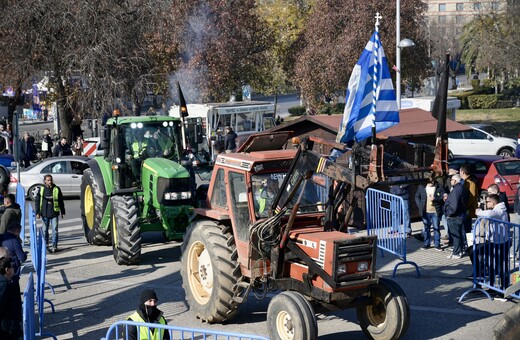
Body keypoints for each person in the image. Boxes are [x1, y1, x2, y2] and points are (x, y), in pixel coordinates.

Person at [472, 194, 510, 290]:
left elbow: (488, 214)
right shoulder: (496, 209)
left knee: (501, 266)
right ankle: (493, 286)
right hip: (494, 241)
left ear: (492, 203)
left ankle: (504, 288)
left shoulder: (499, 210)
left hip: (501, 242)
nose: (486, 203)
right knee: (493, 264)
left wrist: (480, 211)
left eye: (487, 202)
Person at [35, 174, 65, 253]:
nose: (50, 181)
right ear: (44, 181)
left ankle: (54, 246)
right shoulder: (41, 190)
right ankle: (46, 245)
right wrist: (37, 212)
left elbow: (61, 201)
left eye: (50, 180)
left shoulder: (56, 189)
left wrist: (62, 211)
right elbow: (37, 202)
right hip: (44, 214)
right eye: (48, 180)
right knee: (45, 230)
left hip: (54, 213)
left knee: (55, 230)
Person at [415, 176, 445, 251]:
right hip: (425, 211)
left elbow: (442, 196)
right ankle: (426, 244)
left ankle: (437, 244)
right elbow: (417, 196)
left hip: (435, 211)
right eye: (429, 181)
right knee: (426, 228)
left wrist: (435, 199)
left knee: (436, 228)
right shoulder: (422, 187)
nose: (431, 182)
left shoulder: (439, 187)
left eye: (432, 181)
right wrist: (420, 205)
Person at [444, 174, 467, 259]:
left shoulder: (456, 190)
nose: (450, 181)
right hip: (459, 214)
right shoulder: (461, 188)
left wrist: (449, 213)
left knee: (456, 235)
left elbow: (454, 205)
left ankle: (457, 252)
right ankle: (459, 250)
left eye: (451, 180)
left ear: (455, 181)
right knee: (459, 234)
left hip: (455, 216)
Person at [0, 256, 23, 340]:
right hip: (7, 326)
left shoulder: (7, 282)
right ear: (7, 270)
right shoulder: (4, 284)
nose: (14, 269)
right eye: (12, 267)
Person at [1, 223, 27, 294]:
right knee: (14, 291)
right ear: (17, 230)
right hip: (12, 269)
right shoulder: (14, 241)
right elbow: (22, 258)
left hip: (2, 268)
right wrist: (25, 254)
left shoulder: (2, 236)